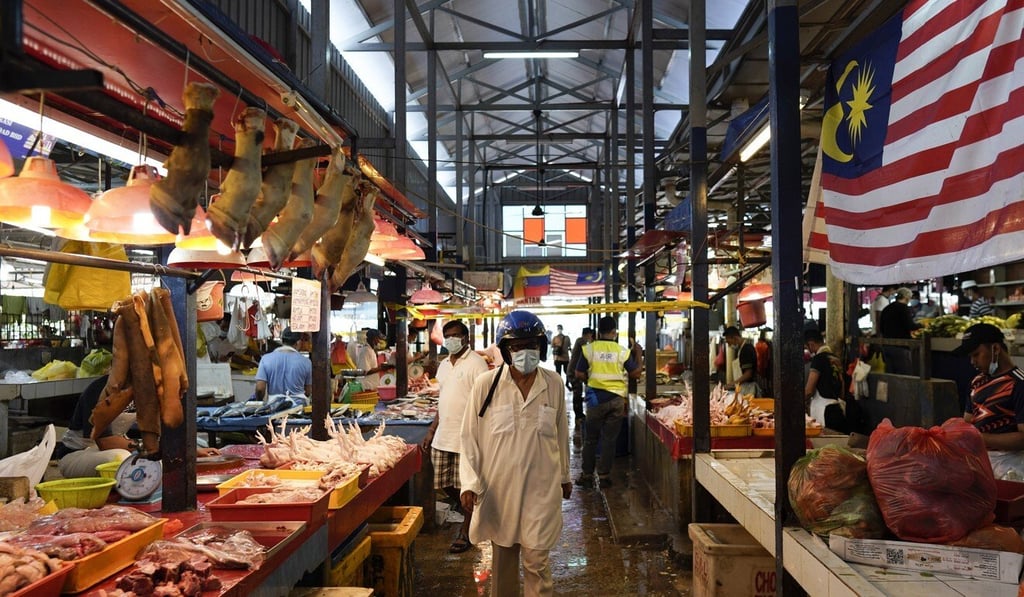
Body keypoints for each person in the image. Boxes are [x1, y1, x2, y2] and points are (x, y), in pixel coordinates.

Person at [460, 311, 571, 597]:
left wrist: (564, 475)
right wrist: (470, 483)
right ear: (506, 350)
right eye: (517, 347)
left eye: (531, 345)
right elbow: (469, 436)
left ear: (541, 347)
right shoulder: (486, 385)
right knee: (504, 560)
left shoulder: (553, 384)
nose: (525, 352)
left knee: (536, 561)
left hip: (541, 488)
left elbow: (560, 433)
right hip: (500, 488)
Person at [57, 375, 218, 478]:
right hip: (77, 455)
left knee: (161, 463)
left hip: (111, 449)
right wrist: (147, 447)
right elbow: (105, 442)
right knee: (121, 458)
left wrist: (187, 449)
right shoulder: (100, 390)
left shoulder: (144, 392)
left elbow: (159, 429)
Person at [422, 320, 489, 553]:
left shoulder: (477, 364)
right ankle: (469, 510)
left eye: (455, 335)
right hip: (443, 436)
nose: (450, 339)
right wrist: (431, 430)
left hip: (467, 438)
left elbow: (485, 404)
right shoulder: (443, 366)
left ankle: (466, 532)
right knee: (444, 483)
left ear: (465, 338)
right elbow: (443, 401)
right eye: (447, 335)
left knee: (467, 486)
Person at [575, 316, 640, 489]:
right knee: (609, 440)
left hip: (595, 400)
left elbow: (579, 373)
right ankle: (604, 476)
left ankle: (587, 475)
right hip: (616, 401)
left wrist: (590, 380)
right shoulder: (622, 351)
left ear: (598, 331)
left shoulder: (589, 349)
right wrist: (639, 353)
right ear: (614, 332)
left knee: (591, 439)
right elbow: (635, 373)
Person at [954, 323, 1024, 479]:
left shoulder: (1019, 384)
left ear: (996, 349)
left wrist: (979, 438)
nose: (972, 362)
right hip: (980, 463)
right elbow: (968, 421)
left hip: (1012, 468)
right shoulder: (976, 382)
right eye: (970, 356)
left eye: (976, 354)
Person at [804, 329, 847, 432]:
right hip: (838, 409)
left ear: (811, 344)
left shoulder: (818, 359)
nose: (809, 351)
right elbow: (842, 385)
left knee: (825, 446)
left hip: (824, 411)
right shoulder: (835, 359)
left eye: (807, 347)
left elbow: (809, 390)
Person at [254, 327, 313, 401]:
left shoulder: (266, 359)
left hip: (274, 406)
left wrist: (259, 402)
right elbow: (308, 391)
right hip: (298, 407)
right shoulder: (306, 362)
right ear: (298, 342)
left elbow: (260, 388)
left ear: (282, 341)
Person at [879, 287, 922, 375]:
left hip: (887, 346)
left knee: (891, 375)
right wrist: (921, 325)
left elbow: (881, 327)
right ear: (906, 298)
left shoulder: (887, 308)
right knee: (904, 374)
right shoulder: (904, 309)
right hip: (900, 347)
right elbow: (910, 325)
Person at [567, 327, 595, 437]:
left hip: (574, 370)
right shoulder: (581, 341)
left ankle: (579, 415)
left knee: (578, 393)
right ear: (587, 334)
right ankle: (578, 416)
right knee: (577, 394)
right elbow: (590, 347)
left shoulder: (581, 341)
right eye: (591, 335)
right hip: (573, 372)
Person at [723, 326, 759, 397]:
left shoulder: (746, 350)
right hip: (743, 387)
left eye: (729, 342)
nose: (729, 345)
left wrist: (733, 384)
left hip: (749, 389)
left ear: (735, 338)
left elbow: (748, 374)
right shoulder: (741, 349)